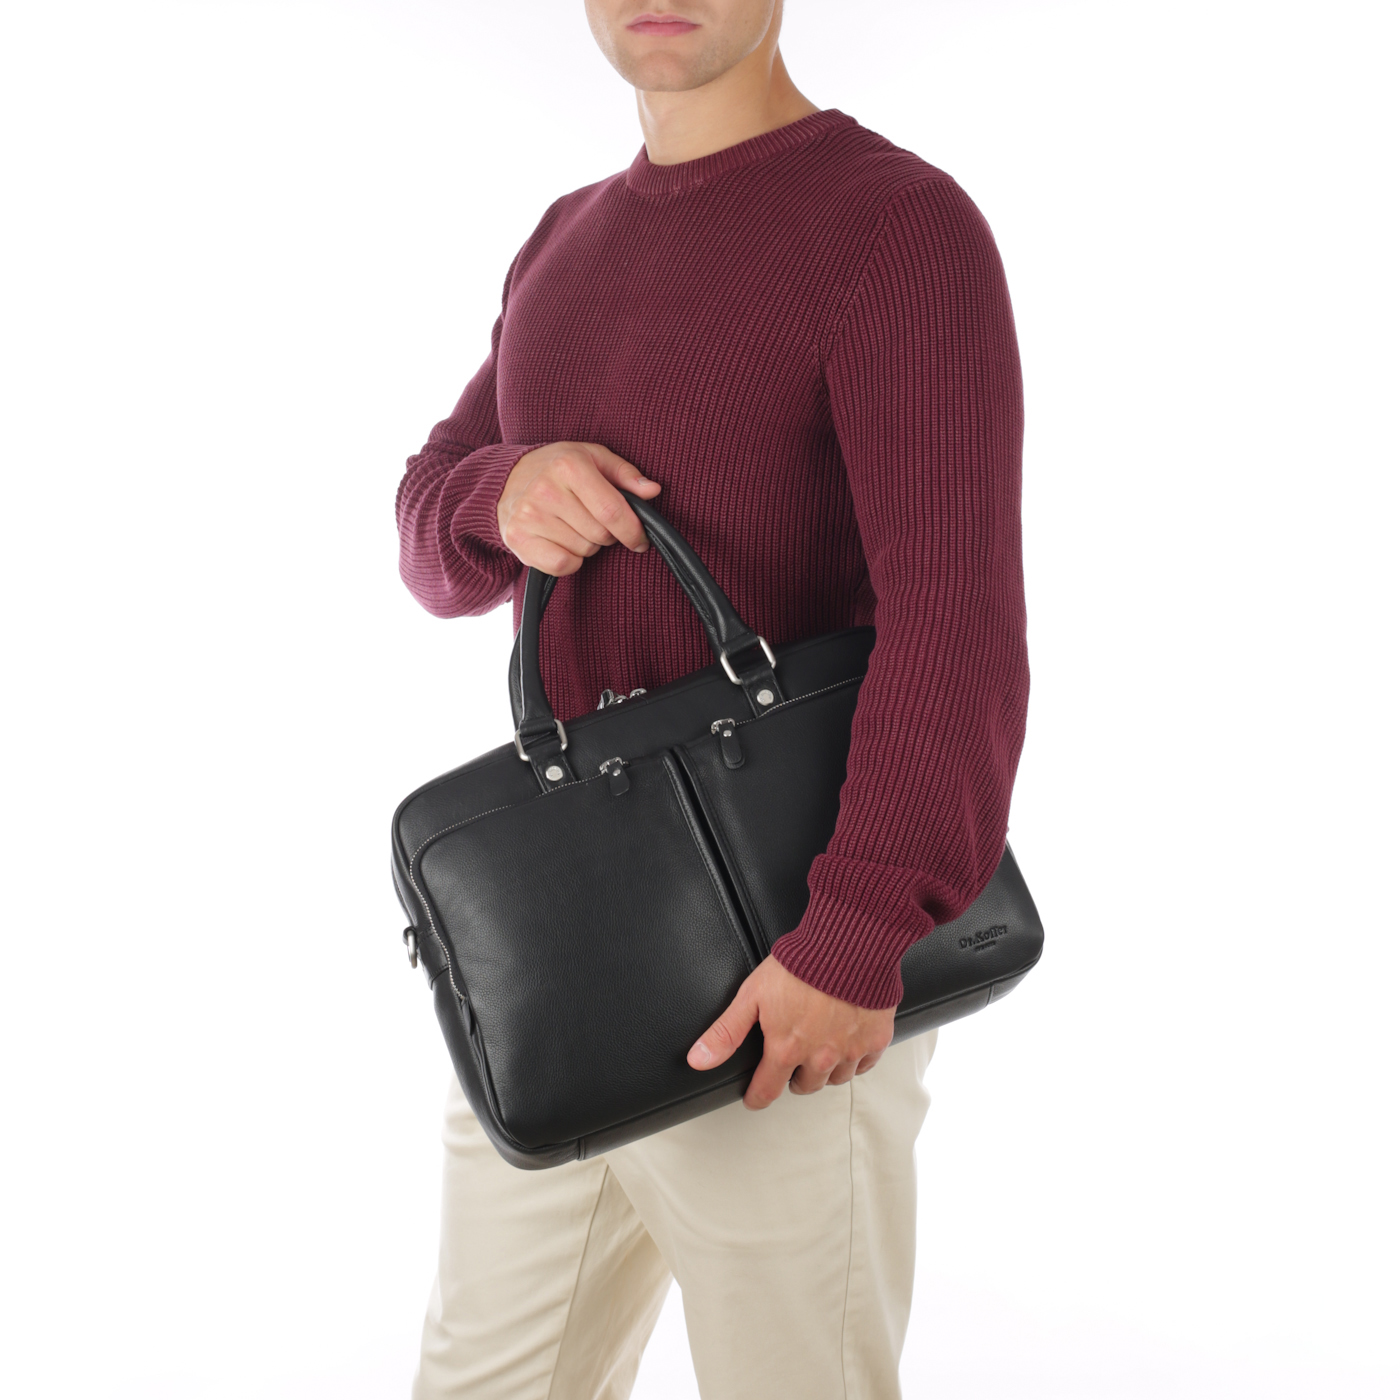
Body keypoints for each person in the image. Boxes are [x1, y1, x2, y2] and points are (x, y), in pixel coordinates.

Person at [394, 2, 1028, 1395]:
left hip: (786, 976)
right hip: (560, 964)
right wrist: (504, 492)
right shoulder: (565, 241)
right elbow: (429, 530)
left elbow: (956, 621)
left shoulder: (895, 227)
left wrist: (856, 937)